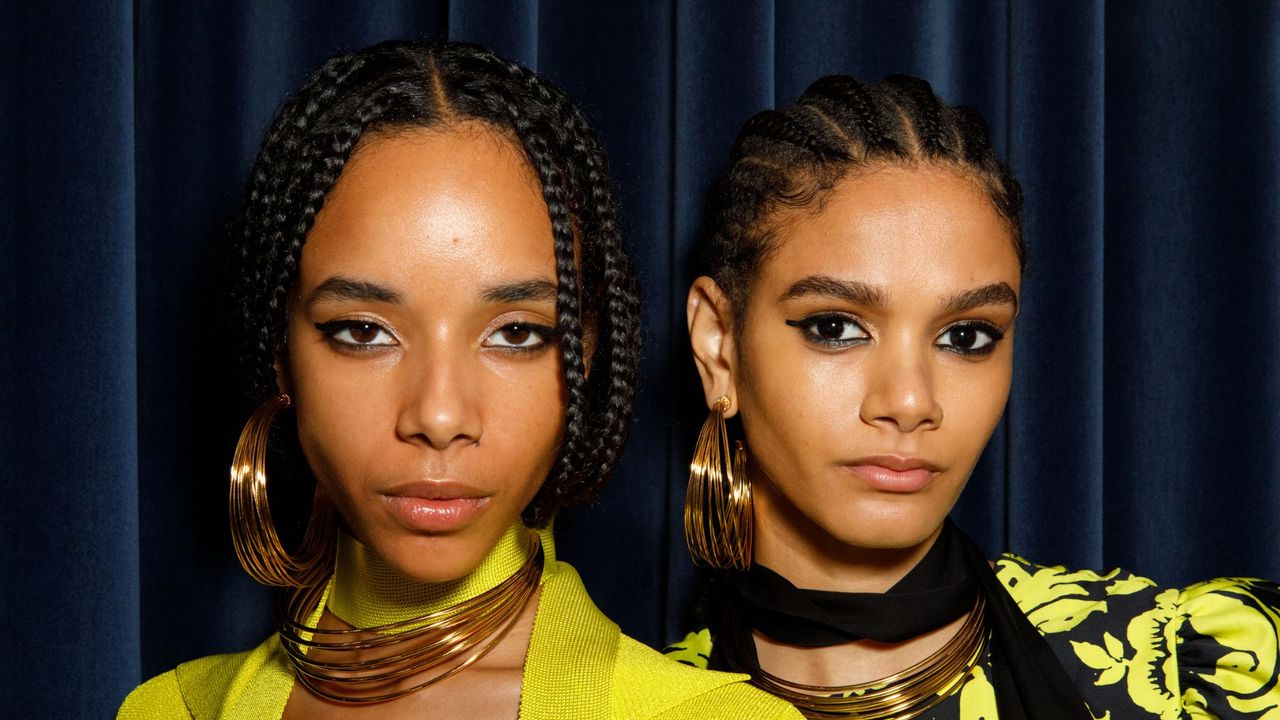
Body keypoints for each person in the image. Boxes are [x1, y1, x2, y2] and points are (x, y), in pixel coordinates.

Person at [119, 40, 798, 720]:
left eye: (516, 334)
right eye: (363, 332)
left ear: (586, 352)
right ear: (279, 349)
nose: (439, 416)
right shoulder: (168, 710)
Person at [666, 73, 1280, 719]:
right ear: (718, 345)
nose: (909, 402)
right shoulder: (647, 704)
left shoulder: (1192, 666)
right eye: (836, 328)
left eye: (966, 336)